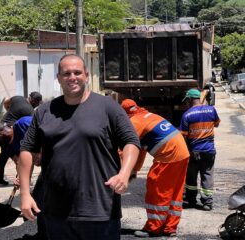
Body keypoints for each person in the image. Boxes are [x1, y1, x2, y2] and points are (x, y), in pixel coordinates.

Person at [18, 54, 140, 240]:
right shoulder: (44, 111)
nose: (72, 77)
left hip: (100, 209)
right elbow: (27, 149)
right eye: (66, 73)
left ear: (86, 75)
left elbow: (131, 141)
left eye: (77, 72)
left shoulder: (108, 107)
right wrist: (25, 194)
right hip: (55, 211)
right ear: (59, 78)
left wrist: (124, 173)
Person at [121, 99, 190, 238]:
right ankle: (170, 228)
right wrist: (134, 170)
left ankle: (153, 228)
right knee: (175, 193)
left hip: (168, 156)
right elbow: (140, 149)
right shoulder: (149, 116)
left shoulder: (134, 123)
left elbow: (127, 149)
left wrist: (123, 170)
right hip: (182, 153)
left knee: (157, 190)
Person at [0, 117, 46, 239]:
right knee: (34, 203)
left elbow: (50, 132)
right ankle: (40, 234)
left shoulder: (24, 124)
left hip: (59, 161)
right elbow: (21, 163)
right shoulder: (7, 147)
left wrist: (41, 152)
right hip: (47, 169)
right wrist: (22, 180)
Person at [179, 89, 220, 211]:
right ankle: (207, 202)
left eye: (187, 100)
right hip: (209, 150)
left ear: (190, 100)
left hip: (194, 151)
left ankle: (191, 200)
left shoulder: (187, 114)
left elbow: (184, 135)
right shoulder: (211, 110)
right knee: (207, 175)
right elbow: (216, 124)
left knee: (191, 176)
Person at [0, 95, 36, 185]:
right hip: (10, 132)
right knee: (19, 158)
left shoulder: (19, 98)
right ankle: (24, 179)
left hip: (2, 127)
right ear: (34, 102)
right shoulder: (30, 111)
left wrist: (9, 111)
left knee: (4, 154)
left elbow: (5, 101)